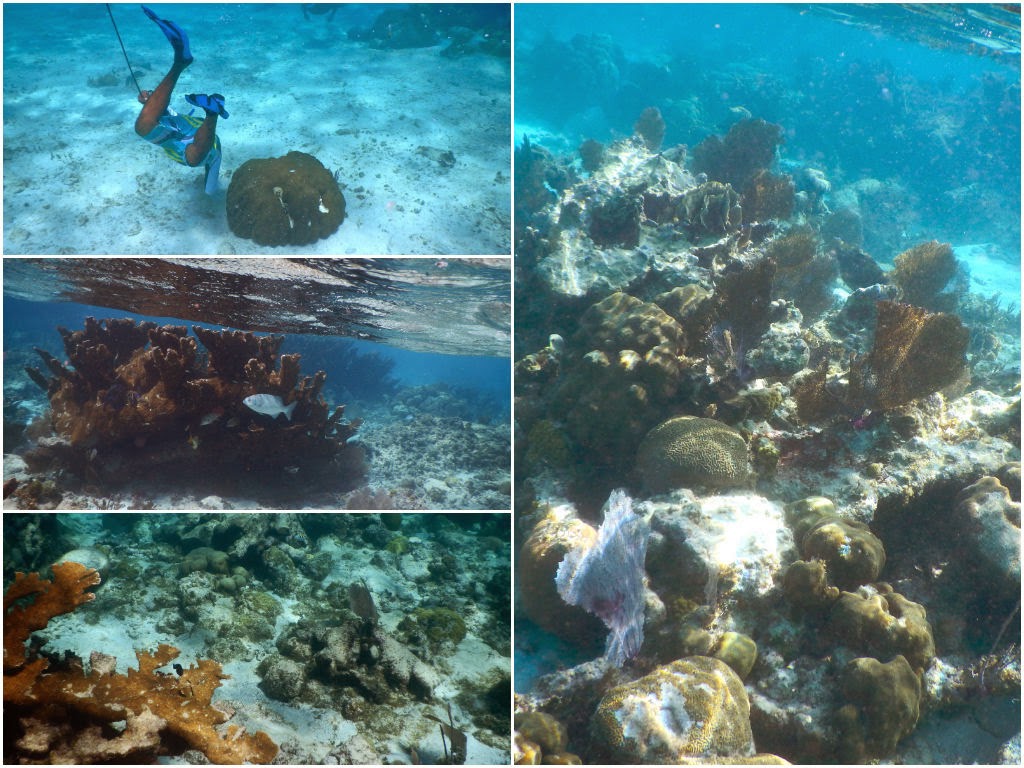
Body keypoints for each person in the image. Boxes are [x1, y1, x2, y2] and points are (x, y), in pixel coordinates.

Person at [134, 6, 228, 194]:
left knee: (146, 127)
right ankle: (211, 112)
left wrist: (151, 103)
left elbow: (171, 114)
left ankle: (210, 111)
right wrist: (151, 102)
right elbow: (210, 189)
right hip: (194, 133)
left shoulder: (211, 150)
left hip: (192, 131)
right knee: (193, 157)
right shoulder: (210, 150)